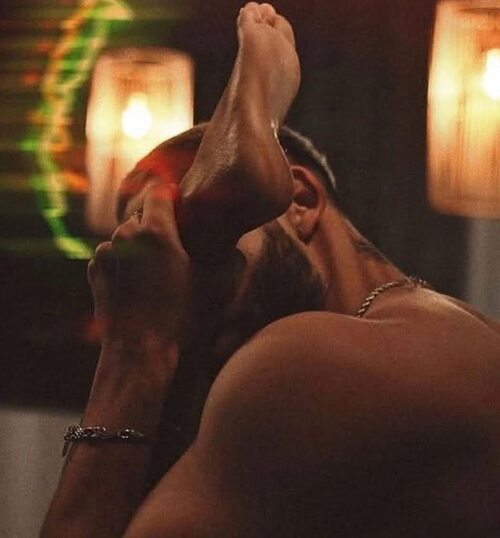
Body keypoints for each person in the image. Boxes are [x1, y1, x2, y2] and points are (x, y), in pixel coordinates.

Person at [41, 3, 500, 537]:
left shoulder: (307, 365)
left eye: (184, 228)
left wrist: (132, 349)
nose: (171, 281)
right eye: (152, 261)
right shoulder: (449, 331)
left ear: (300, 200)